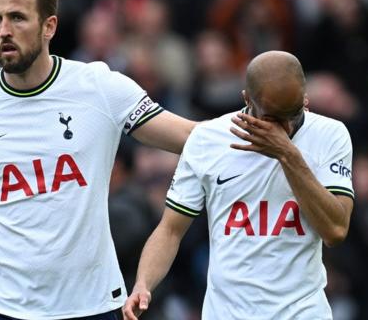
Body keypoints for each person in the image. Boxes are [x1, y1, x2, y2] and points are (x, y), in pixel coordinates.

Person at [0, 0, 195, 320]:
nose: (4, 30)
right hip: (0, 307)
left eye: (17, 18)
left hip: (91, 305)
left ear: (49, 26)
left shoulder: (99, 87)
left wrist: (271, 118)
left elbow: (188, 136)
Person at [123, 51, 355, 320]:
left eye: (292, 115)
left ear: (305, 99)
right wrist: (143, 284)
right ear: (247, 99)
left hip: (302, 312)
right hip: (228, 313)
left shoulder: (330, 135)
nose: (285, 127)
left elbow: (336, 230)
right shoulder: (208, 139)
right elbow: (170, 230)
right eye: (272, 118)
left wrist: (287, 154)